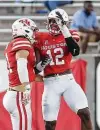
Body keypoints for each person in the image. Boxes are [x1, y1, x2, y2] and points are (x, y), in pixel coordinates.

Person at [34, 8, 93, 130]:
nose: (53, 24)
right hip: (50, 83)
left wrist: (64, 29)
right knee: (49, 125)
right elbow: (36, 70)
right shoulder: (40, 38)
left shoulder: (70, 33)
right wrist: (42, 64)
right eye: (51, 21)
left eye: (56, 21)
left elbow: (75, 52)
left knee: (85, 113)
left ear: (64, 22)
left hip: (68, 81)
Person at [3, 18, 50, 130]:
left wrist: (41, 68)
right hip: (18, 94)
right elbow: (21, 66)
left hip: (15, 93)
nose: (34, 33)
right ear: (25, 29)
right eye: (32, 30)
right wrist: (26, 88)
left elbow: (28, 72)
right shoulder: (22, 42)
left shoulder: (14, 43)